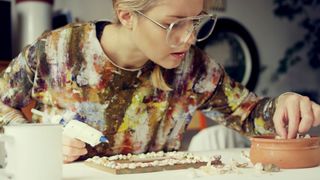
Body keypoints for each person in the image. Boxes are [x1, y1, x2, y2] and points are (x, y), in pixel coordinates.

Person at [0, 0, 319, 164]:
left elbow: (251, 115)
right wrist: (40, 143)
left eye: (195, 21)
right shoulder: (58, 50)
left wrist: (285, 102)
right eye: (174, 24)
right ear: (126, 15)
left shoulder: (194, 68)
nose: (190, 37)